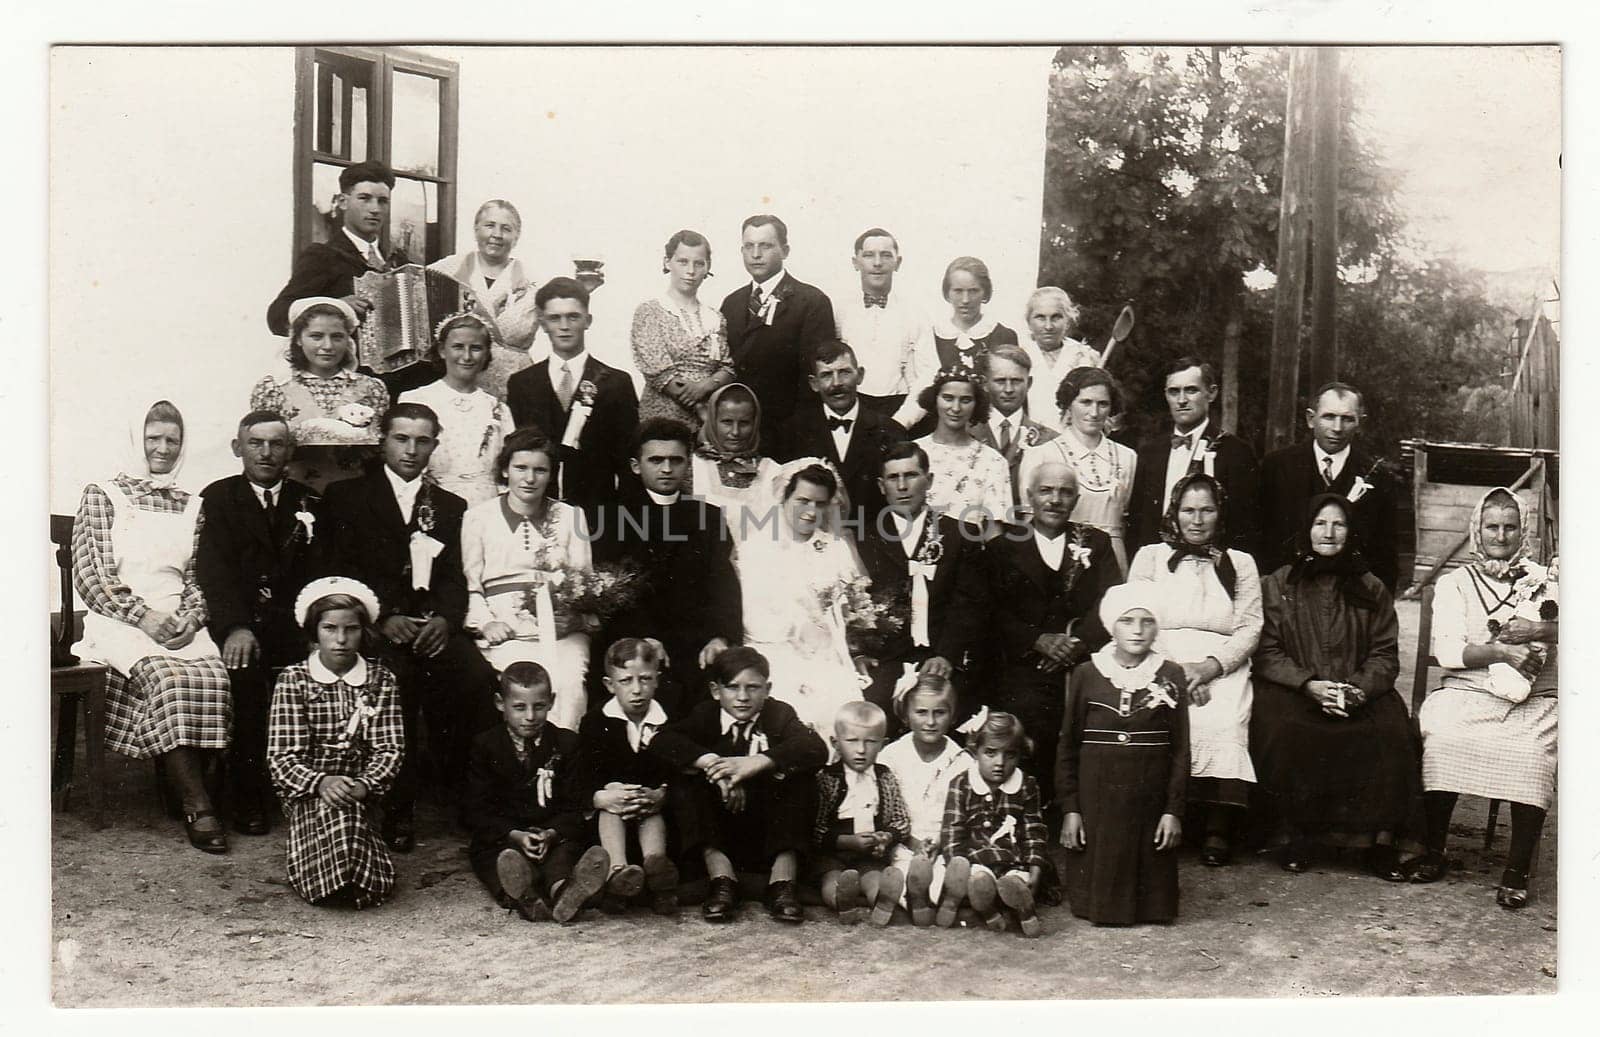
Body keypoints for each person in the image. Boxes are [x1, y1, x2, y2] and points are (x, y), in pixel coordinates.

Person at [322, 402, 499, 851]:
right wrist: (380, 617)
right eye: (401, 438)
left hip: (431, 627)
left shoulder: (449, 505)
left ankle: (466, 799)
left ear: (434, 446)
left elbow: (458, 575)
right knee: (395, 683)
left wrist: (444, 618)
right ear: (382, 441)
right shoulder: (346, 497)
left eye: (422, 441)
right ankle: (397, 807)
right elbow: (336, 572)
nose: (411, 449)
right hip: (374, 628)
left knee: (475, 678)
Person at [72, 399, 233, 853]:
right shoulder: (103, 494)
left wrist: (193, 617)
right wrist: (145, 617)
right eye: (153, 438)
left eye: (172, 441)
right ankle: (197, 804)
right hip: (118, 620)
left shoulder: (191, 504)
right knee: (167, 678)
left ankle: (181, 780)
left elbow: (201, 576)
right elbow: (92, 576)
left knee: (215, 673)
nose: (162, 449)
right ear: (135, 439)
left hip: (178, 618)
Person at [1251, 494, 1421, 880]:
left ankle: (1377, 843)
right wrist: (1308, 684)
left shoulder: (1371, 586)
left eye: (1338, 524)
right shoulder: (1280, 584)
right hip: (1298, 688)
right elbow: (1267, 650)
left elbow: (1385, 653)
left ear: (1351, 531)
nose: (1328, 533)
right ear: (1306, 529)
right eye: (1320, 524)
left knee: (1392, 732)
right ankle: (1297, 836)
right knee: (1287, 729)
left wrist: (1357, 690)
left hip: (1357, 689)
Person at [1412, 489, 1557, 909]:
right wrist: (1499, 651)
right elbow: (1449, 652)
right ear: (1477, 529)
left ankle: (1516, 870)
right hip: (1469, 688)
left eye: (1510, 527)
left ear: (1522, 531)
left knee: (1531, 752)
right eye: (1492, 526)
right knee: (1443, 736)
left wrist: (1538, 632)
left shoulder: (1545, 579)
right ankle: (1434, 850)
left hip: (1532, 696)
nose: (1501, 535)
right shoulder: (1456, 582)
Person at [196, 410, 326, 836]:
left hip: (294, 623)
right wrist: (234, 626)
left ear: (290, 451)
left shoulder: (309, 502)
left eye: (276, 444)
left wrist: (314, 633)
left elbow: (320, 575)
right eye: (256, 443)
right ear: (239, 449)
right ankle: (246, 792)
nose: (266, 453)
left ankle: (311, 789)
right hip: (242, 621)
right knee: (246, 682)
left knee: (316, 674)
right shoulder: (219, 498)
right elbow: (214, 571)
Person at [1126, 473, 1263, 866]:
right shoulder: (1150, 556)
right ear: (1175, 512)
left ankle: (1216, 828)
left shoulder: (1241, 563)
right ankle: (1157, 815)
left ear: (1220, 514)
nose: (1197, 520)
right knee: (1157, 714)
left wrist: (1208, 668)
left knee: (1223, 719)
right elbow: (1136, 615)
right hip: (1159, 658)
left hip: (1220, 662)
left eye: (1207, 510)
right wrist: (1176, 672)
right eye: (1189, 510)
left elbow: (1250, 627)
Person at [646, 647, 830, 924]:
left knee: (800, 779)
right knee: (686, 779)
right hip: (721, 831)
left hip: (768, 830)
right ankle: (722, 880)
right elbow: (662, 741)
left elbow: (815, 748)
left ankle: (783, 882)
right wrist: (713, 765)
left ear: (767, 689)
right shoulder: (705, 714)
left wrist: (758, 762)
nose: (743, 697)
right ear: (715, 690)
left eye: (753, 687)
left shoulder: (779, 713)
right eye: (732, 688)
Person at [984, 461, 1120, 813]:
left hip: (1082, 662)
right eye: (1046, 490)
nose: (1055, 499)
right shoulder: (1004, 547)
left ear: (1076, 499)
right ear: (1029, 496)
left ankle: (1081, 807)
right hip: (1025, 663)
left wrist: (1077, 644)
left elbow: (1113, 602)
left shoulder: (1097, 543)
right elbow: (993, 610)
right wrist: (1037, 640)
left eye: (1064, 492)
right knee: (1026, 711)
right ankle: (1031, 807)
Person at [1057, 583, 1190, 926]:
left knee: (1149, 892)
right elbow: (1068, 746)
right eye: (1127, 621)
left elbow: (1180, 749)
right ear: (1110, 626)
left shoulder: (1170, 674)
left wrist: (1172, 811)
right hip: (1097, 801)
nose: (1137, 630)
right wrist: (1071, 809)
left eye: (1147, 621)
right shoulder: (1088, 673)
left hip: (1147, 800)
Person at [267, 578, 404, 907]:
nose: (341, 640)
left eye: (351, 629)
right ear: (315, 632)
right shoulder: (294, 680)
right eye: (330, 628)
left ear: (363, 631)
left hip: (361, 789)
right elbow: (282, 757)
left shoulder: (380, 679)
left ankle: (355, 879)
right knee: (332, 814)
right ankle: (333, 882)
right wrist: (320, 782)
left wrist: (365, 784)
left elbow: (390, 748)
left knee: (349, 816)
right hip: (308, 791)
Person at [592, 419, 742, 718]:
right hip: (636, 634)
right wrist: (645, 637)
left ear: (688, 463)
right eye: (656, 460)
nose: (666, 469)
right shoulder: (612, 518)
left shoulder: (707, 517)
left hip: (697, 638)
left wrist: (721, 637)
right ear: (636, 465)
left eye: (676, 460)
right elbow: (612, 591)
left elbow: (723, 583)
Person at [460, 427, 596, 733]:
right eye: (521, 468)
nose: (530, 478)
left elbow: (585, 583)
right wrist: (486, 623)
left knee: (569, 685)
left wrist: (574, 620)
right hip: (505, 627)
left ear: (551, 475)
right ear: (505, 470)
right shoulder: (478, 517)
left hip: (562, 631)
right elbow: (473, 585)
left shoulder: (571, 516)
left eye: (540, 470)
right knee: (521, 694)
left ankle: (562, 766)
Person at [464, 661, 607, 924]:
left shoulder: (566, 744)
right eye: (519, 707)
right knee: (497, 858)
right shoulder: (485, 746)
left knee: (564, 855)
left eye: (539, 706)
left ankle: (564, 892)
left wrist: (551, 834)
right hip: (506, 834)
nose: (530, 716)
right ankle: (525, 897)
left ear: (551, 701)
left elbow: (573, 805)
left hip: (552, 832)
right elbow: (478, 808)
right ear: (500, 703)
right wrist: (516, 835)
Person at [856, 442, 989, 725]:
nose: (902, 486)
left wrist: (946, 655)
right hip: (886, 658)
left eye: (911, 475)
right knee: (872, 713)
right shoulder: (863, 538)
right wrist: (862, 653)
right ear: (881, 486)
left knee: (954, 713)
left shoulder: (960, 534)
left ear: (929, 480)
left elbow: (970, 604)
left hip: (944, 655)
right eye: (893, 478)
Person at [733, 461, 868, 734]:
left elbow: (853, 602)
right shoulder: (757, 548)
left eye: (820, 504)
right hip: (774, 648)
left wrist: (851, 633)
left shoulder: (835, 547)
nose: (810, 512)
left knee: (841, 710)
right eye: (802, 501)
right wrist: (797, 628)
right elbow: (751, 613)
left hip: (829, 650)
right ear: (784, 497)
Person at [505, 278, 639, 525]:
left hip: (597, 516)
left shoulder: (616, 383)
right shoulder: (522, 383)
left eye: (573, 317)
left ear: (588, 320)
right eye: (555, 318)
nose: (564, 326)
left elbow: (628, 463)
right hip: (536, 513)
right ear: (542, 322)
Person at [576, 638, 682, 916]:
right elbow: (580, 775)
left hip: (654, 811)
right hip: (612, 814)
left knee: (651, 812)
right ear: (610, 685)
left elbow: (681, 768)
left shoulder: (668, 720)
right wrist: (602, 797)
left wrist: (661, 794)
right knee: (610, 809)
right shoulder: (596, 722)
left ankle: (657, 871)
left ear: (657, 679)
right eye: (625, 681)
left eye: (645, 679)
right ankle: (618, 874)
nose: (637, 690)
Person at [1259, 381, 1397, 591]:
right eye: (1329, 417)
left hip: (1350, 601)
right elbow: (1261, 541)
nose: (1337, 428)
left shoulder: (1378, 477)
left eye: (1347, 419)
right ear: (1310, 419)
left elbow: (1386, 557)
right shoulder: (1276, 467)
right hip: (1285, 597)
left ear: (1361, 422)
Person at [249, 297, 390, 492]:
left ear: (348, 339)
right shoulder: (273, 389)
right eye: (316, 336)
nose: (328, 346)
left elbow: (380, 450)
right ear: (298, 339)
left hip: (356, 496)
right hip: (292, 494)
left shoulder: (371, 388)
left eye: (337, 337)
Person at [721, 214, 837, 443]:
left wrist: (796, 431)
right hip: (739, 432)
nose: (756, 254)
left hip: (788, 431)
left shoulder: (811, 301)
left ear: (785, 250)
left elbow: (813, 379)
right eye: (749, 246)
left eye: (765, 246)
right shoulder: (731, 303)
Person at [1128, 355, 1259, 557]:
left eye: (1191, 390)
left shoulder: (1235, 452)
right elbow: (1137, 523)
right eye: (1174, 392)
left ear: (1211, 393)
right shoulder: (1150, 453)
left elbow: (1245, 526)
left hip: (1214, 567)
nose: (1181, 400)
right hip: (1158, 567)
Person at [772, 339, 908, 528]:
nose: (836, 383)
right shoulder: (792, 432)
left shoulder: (890, 431)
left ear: (860, 375)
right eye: (826, 375)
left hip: (874, 540)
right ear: (814, 383)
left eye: (844, 372)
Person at [937, 711, 1048, 937]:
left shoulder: (1026, 785)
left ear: (1019, 755)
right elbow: (952, 831)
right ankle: (987, 908)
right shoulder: (961, 784)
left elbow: (1033, 830)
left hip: (1013, 860)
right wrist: (956, 864)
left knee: (1016, 880)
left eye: (1010, 755)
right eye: (990, 753)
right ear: (974, 751)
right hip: (977, 860)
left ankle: (1024, 910)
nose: (1000, 763)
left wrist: (1036, 867)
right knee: (978, 879)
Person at [1019, 366, 1138, 574]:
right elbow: (1029, 520)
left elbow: (1125, 516)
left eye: (1103, 404)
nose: (1094, 412)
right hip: (1059, 555)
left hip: (1112, 560)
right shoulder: (1041, 455)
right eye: (1085, 402)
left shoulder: (1128, 457)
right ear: (1068, 405)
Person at [810, 701, 919, 927]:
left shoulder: (885, 777)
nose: (861, 750)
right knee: (832, 880)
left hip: (871, 853)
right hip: (833, 852)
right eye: (852, 741)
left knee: (875, 879)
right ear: (836, 743)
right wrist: (845, 841)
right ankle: (842, 902)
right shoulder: (827, 779)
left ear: (882, 744)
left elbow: (900, 818)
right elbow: (814, 826)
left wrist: (887, 836)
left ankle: (883, 904)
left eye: (870, 742)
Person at [267, 161, 404, 336]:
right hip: (344, 361)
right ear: (342, 202)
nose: (375, 209)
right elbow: (277, 316)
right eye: (364, 198)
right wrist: (335, 306)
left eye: (382, 201)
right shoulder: (323, 257)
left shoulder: (398, 260)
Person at [878, 673, 972, 926]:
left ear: (952, 716)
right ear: (906, 715)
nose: (930, 722)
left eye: (939, 713)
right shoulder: (892, 756)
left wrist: (940, 843)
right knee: (899, 870)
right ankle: (917, 898)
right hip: (902, 840)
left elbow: (963, 813)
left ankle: (929, 898)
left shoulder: (961, 760)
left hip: (945, 843)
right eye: (921, 712)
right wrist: (909, 839)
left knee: (949, 873)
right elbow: (886, 809)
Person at [398, 312, 516, 505]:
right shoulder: (415, 399)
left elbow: (510, 465)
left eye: (476, 348)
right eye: (458, 347)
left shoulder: (499, 408)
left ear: (487, 353)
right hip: (434, 501)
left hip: (487, 503)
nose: (467, 356)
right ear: (442, 350)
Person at [429, 199, 542, 395]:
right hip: (457, 381)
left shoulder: (533, 281)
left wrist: (584, 289)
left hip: (513, 384)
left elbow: (558, 312)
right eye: (489, 225)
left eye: (506, 229)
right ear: (476, 229)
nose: (497, 235)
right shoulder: (446, 269)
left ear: (517, 236)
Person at [897, 256, 1020, 432]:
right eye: (958, 291)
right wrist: (897, 425)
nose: (965, 300)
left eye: (973, 291)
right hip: (940, 430)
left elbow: (1009, 392)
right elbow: (922, 388)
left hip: (990, 431)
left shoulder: (1003, 336)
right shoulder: (933, 335)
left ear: (985, 292)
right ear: (947, 293)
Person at [631, 229, 736, 430]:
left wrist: (705, 387)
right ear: (667, 262)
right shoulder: (650, 311)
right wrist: (698, 406)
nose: (691, 271)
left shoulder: (715, 317)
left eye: (698, 263)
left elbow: (727, 368)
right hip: (664, 416)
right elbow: (658, 372)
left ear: (708, 267)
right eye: (683, 262)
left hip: (710, 418)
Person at [833, 227, 935, 420]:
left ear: (898, 262)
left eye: (886, 255)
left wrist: (902, 421)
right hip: (849, 410)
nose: (877, 263)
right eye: (869, 255)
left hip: (900, 408)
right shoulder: (838, 311)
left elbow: (927, 375)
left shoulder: (916, 314)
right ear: (856, 262)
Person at [912, 367, 1013, 534]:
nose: (956, 408)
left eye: (965, 400)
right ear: (934, 400)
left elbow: (993, 533)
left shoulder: (993, 461)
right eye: (948, 398)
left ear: (977, 404)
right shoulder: (914, 452)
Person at [685, 382, 781, 534]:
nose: (735, 432)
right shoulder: (692, 466)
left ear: (755, 423)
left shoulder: (774, 472)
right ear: (712, 421)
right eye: (727, 422)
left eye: (744, 423)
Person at [972, 345, 1058, 503]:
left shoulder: (1050, 441)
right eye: (1000, 381)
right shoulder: (966, 434)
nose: (1009, 389)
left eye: (1016, 381)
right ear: (985, 383)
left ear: (1029, 383)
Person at [1019, 286, 1098, 430]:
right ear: (1029, 321)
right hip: (1029, 441)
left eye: (1056, 317)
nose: (1048, 326)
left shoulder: (1086, 356)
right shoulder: (1019, 356)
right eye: (1040, 317)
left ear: (1067, 319)